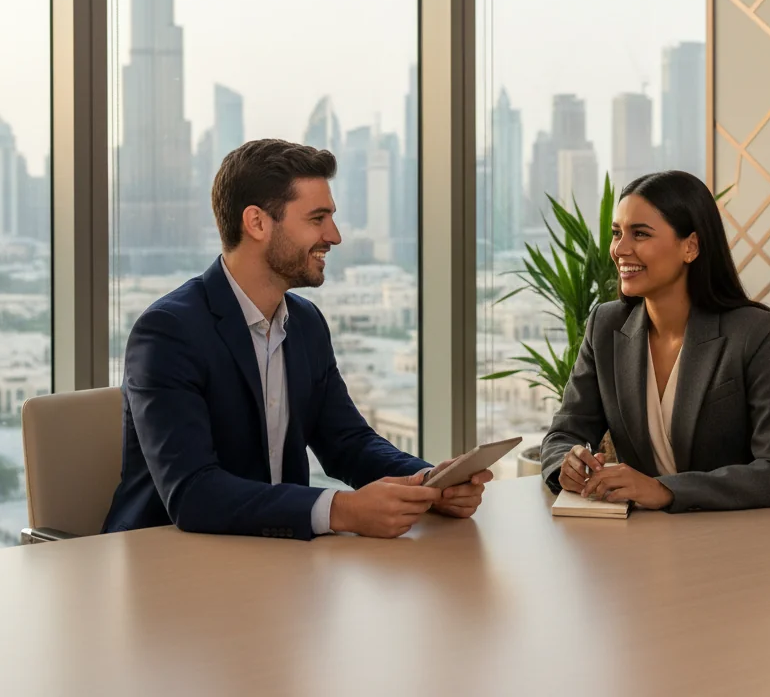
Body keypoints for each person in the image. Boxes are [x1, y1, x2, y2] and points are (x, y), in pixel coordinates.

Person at [103, 139, 491, 540]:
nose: (335, 235)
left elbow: (347, 442)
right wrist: (341, 510)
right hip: (167, 565)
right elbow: (193, 494)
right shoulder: (169, 332)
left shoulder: (305, 323)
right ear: (256, 223)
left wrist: (426, 482)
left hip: (278, 561)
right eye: (317, 218)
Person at [541, 170, 770, 513]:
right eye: (616, 233)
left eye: (640, 234)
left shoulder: (752, 332)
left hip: (733, 542)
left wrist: (665, 490)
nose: (620, 249)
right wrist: (568, 464)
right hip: (638, 542)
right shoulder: (605, 326)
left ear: (691, 246)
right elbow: (563, 434)